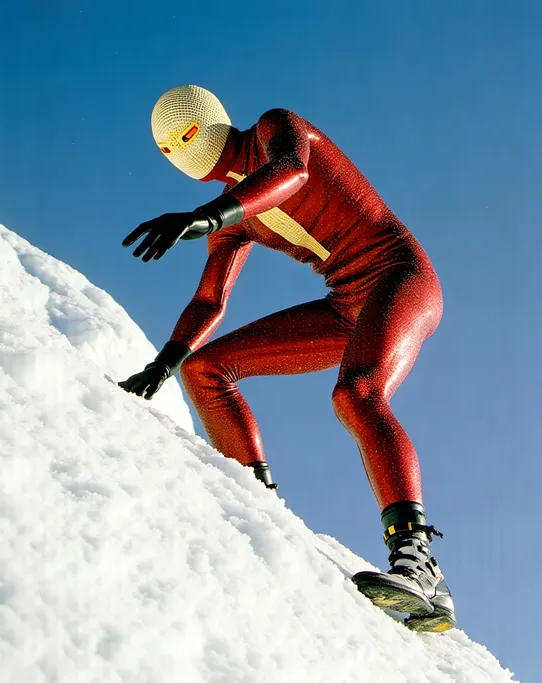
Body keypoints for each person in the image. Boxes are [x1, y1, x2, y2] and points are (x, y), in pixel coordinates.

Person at [118, 84, 454, 632]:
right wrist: (163, 364)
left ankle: (420, 565)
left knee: (357, 393)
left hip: (400, 278)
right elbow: (210, 300)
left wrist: (206, 217)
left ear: (208, 124)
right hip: (346, 305)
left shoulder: (273, 129)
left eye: (181, 139)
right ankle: (258, 505)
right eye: (166, 150)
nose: (178, 154)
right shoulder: (235, 214)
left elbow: (294, 173)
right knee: (205, 369)